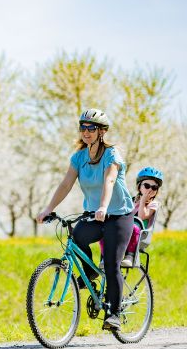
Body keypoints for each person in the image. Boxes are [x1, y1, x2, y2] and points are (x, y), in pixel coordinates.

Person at [36, 108, 134, 331]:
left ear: (102, 131)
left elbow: (109, 180)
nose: (86, 132)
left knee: (111, 264)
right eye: (83, 127)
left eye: (91, 128)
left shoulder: (111, 154)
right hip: (94, 215)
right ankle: (89, 272)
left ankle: (114, 314)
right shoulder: (79, 157)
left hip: (118, 215)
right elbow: (65, 184)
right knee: (76, 237)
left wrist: (103, 206)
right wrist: (48, 209)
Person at [122, 167, 163, 266]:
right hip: (125, 228)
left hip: (139, 231)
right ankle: (104, 257)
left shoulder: (153, 204)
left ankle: (130, 256)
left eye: (154, 188)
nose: (150, 189)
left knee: (135, 226)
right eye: (147, 186)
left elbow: (141, 216)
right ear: (139, 187)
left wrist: (143, 200)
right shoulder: (131, 201)